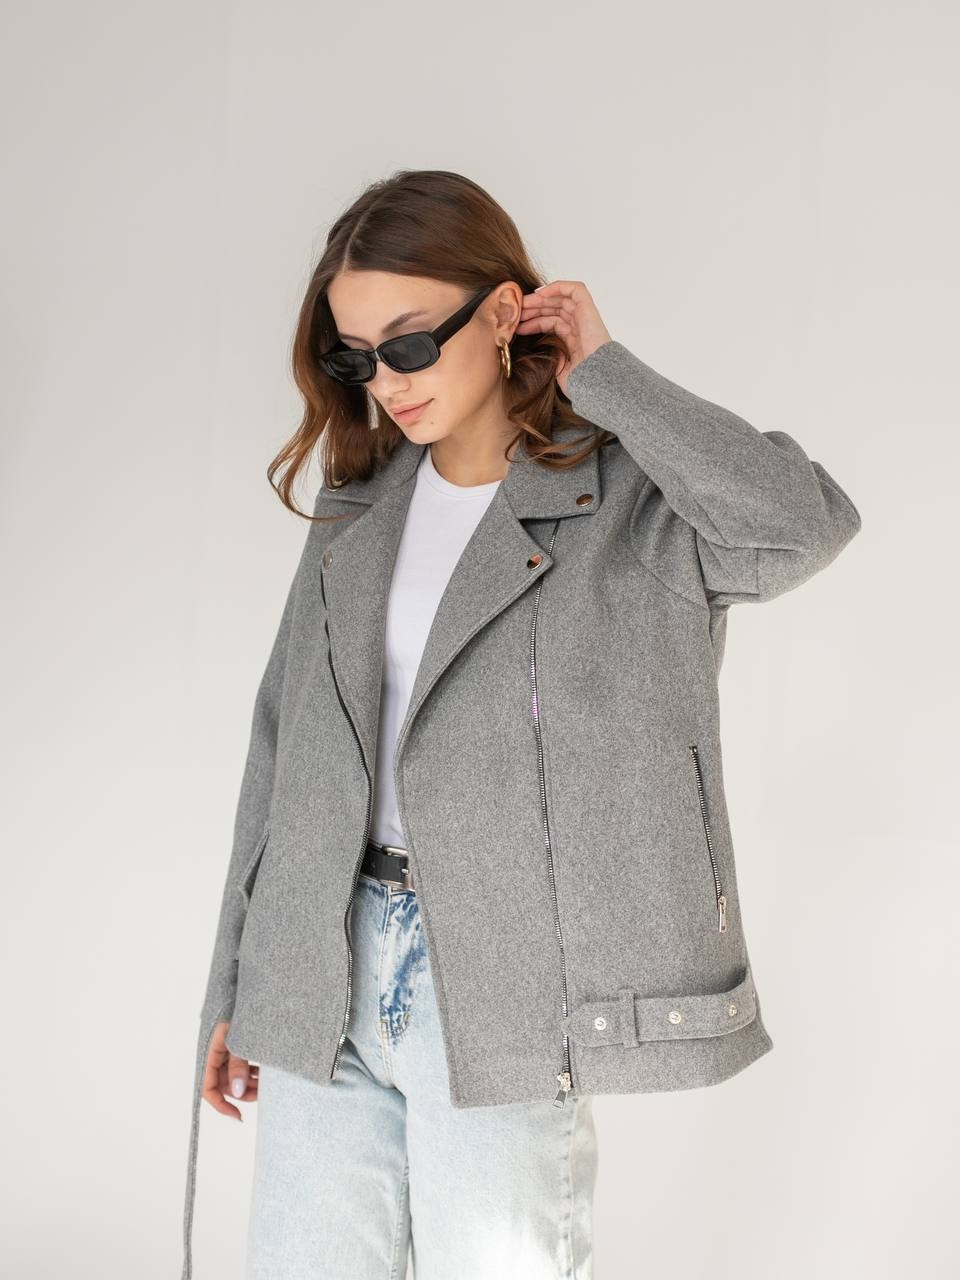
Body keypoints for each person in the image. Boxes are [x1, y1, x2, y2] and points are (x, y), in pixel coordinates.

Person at [181, 168, 862, 1279]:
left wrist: (610, 373)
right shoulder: (361, 504)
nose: (386, 382)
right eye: (357, 357)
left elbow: (801, 525)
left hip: (503, 976)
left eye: (410, 344)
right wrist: (236, 980)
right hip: (322, 959)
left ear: (503, 312)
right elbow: (281, 744)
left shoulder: (632, 505)